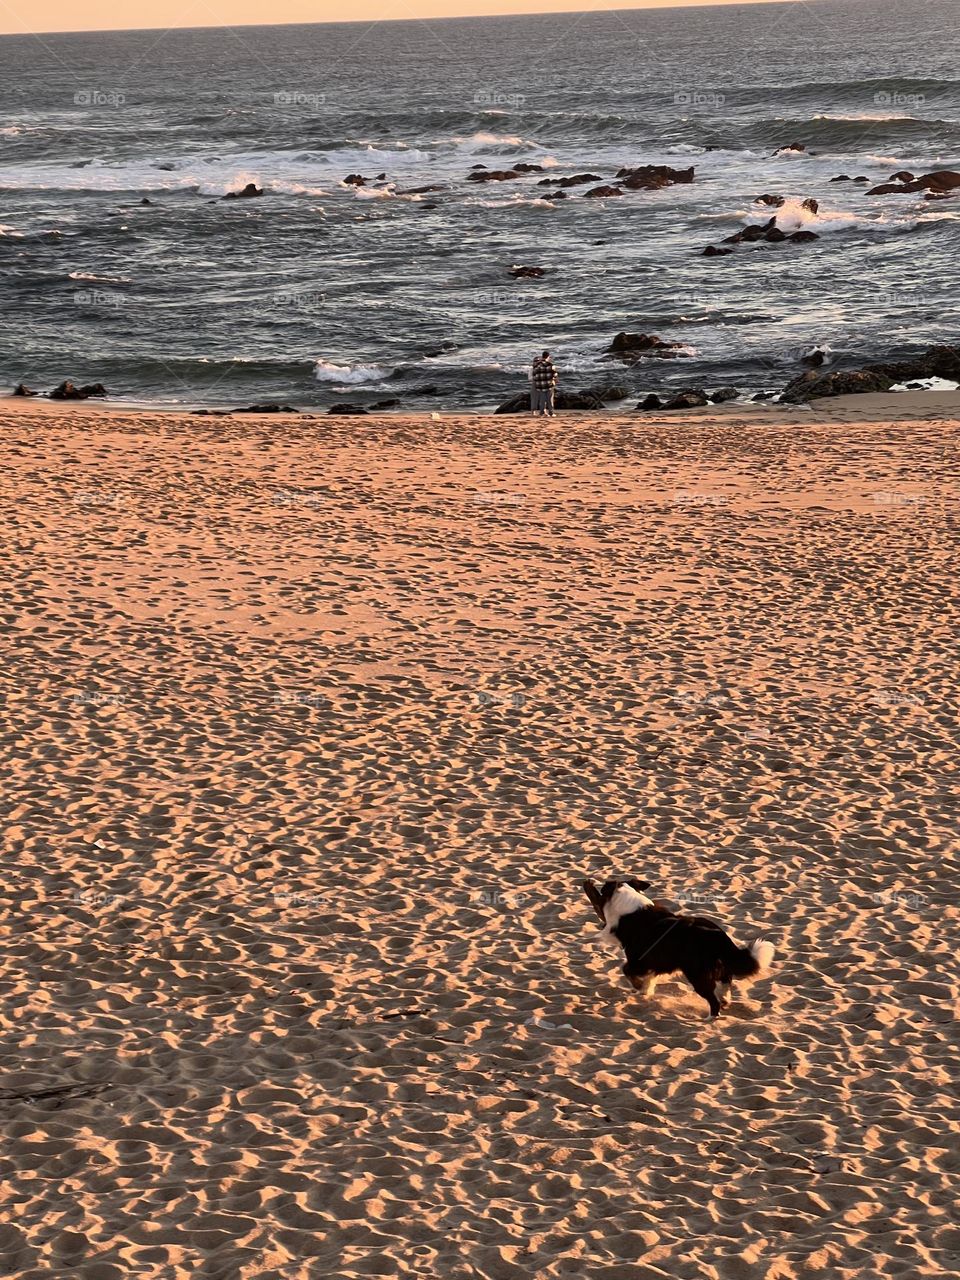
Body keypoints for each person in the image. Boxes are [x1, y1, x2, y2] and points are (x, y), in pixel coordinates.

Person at [530, 350, 557, 416]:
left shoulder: (536, 365)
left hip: (540, 385)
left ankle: (541, 412)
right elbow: (555, 374)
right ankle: (551, 412)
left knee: (542, 399)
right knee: (550, 399)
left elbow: (534, 375)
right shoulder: (551, 365)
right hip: (549, 384)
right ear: (548, 357)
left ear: (542, 356)